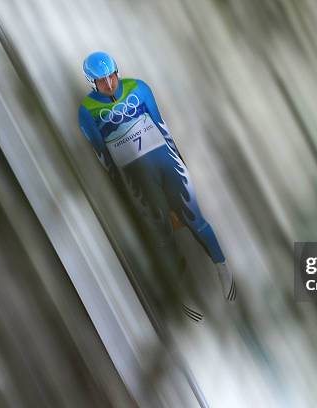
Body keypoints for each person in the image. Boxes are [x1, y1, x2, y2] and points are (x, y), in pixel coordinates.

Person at [78, 52, 236, 320]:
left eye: (111, 76)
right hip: (136, 178)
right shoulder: (86, 111)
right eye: (102, 82)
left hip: (166, 162)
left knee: (194, 217)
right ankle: (180, 292)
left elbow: (161, 125)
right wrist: (119, 187)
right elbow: (101, 153)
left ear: (117, 71)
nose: (109, 84)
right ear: (93, 84)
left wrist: (179, 160)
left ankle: (222, 267)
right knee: (161, 231)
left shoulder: (138, 88)